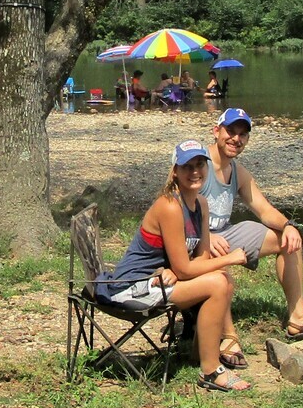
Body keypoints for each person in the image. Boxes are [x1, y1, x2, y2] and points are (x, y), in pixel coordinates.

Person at [102, 140, 252, 391]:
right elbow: (186, 269)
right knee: (218, 281)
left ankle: (202, 356)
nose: (195, 172)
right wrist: (228, 258)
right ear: (175, 171)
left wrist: (177, 270)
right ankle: (211, 371)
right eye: (187, 167)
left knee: (223, 278)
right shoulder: (170, 206)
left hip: (159, 281)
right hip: (131, 287)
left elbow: (202, 259)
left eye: (200, 164)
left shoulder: (201, 204)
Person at [200, 107, 303, 367]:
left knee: (287, 240)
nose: (236, 139)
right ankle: (227, 336)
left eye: (242, 134)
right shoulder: (199, 164)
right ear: (216, 131)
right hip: (193, 238)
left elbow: (264, 210)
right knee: (219, 262)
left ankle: (299, 317)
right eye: (230, 131)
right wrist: (206, 236)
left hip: (223, 233)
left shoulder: (238, 172)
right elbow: (174, 209)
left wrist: (289, 225)